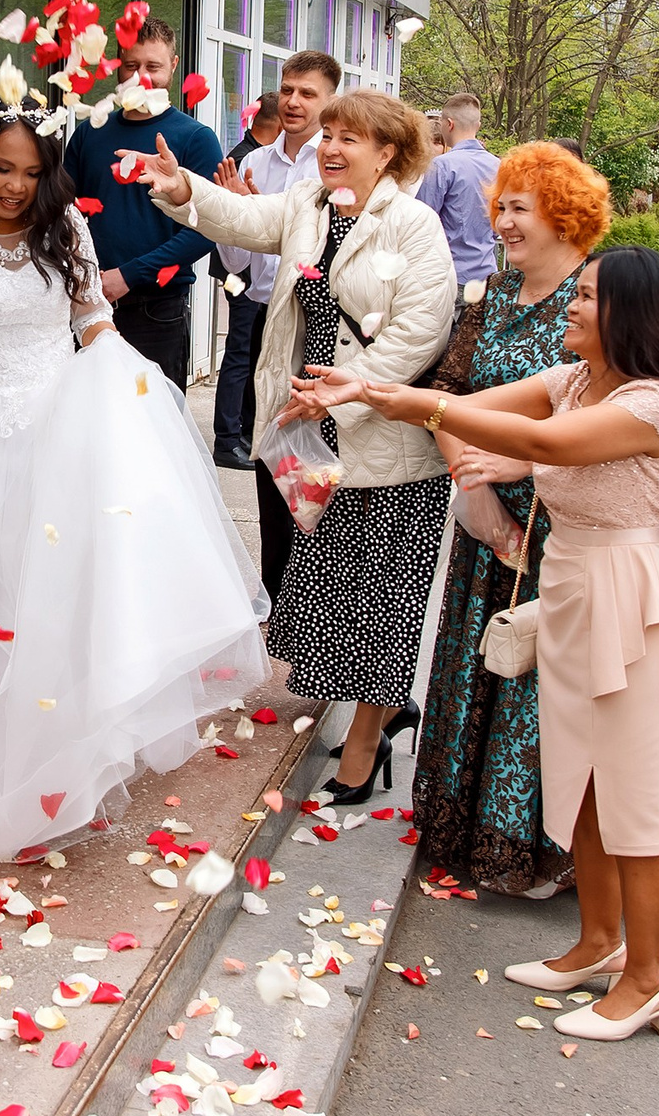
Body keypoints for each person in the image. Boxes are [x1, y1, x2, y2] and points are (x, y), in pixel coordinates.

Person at [315, 246, 659, 1042]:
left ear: (630, 317)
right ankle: (600, 945)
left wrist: (416, 408)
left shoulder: (651, 405)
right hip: (567, 588)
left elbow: (540, 442)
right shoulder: (574, 381)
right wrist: (377, 390)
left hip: (629, 602)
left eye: (591, 296)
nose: (571, 304)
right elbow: (479, 403)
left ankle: (650, 979)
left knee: (637, 801)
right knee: (584, 787)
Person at [0, 101, 264, 859]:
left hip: (57, 432)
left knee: (44, 605)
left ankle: (45, 769)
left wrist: (121, 378)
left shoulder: (66, 227)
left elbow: (90, 319)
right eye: (2, 167)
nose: (14, 185)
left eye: (31, 171)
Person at [145, 89, 456, 804]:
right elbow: (242, 215)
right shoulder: (309, 205)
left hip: (386, 443)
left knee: (380, 601)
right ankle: (377, 708)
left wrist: (350, 386)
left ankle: (366, 744)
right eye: (330, 134)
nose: (334, 147)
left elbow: (421, 331)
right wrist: (181, 188)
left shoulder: (412, 226)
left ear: (389, 152)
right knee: (333, 593)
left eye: (352, 138)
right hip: (314, 433)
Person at [413, 143, 608, 897]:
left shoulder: (594, 304)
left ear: (564, 214)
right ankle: (467, 830)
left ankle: (537, 846)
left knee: (538, 683)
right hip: (486, 515)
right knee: (477, 661)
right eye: (500, 207)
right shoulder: (490, 295)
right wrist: (479, 493)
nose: (501, 222)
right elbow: (446, 396)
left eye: (518, 207)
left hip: (558, 524)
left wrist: (521, 484)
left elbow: (611, 417)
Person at [214, 54, 334, 593]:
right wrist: (237, 223)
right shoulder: (255, 164)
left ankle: (312, 590)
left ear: (330, 101)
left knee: (315, 465)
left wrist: (268, 220)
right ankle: (275, 587)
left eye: (307, 93)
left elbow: (323, 255)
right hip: (265, 318)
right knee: (270, 459)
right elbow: (238, 265)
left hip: (321, 325)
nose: (292, 101)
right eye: (287, 90)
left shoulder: (332, 167)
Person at [62, 17, 220, 391]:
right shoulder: (90, 132)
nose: (141, 76)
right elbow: (63, 210)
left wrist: (128, 276)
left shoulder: (195, 138)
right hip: (88, 304)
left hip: (157, 309)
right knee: (88, 419)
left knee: (155, 425)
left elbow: (205, 230)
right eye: (131, 66)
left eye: (153, 66)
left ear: (174, 66)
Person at [210, 92, 282, 470]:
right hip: (242, 274)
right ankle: (227, 437)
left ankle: (245, 431)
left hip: (258, 276)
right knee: (239, 354)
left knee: (251, 355)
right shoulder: (244, 160)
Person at [414, 92, 500, 288]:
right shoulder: (499, 166)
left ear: (448, 124)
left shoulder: (441, 166)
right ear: (477, 126)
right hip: (487, 272)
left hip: (449, 274)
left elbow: (420, 220)